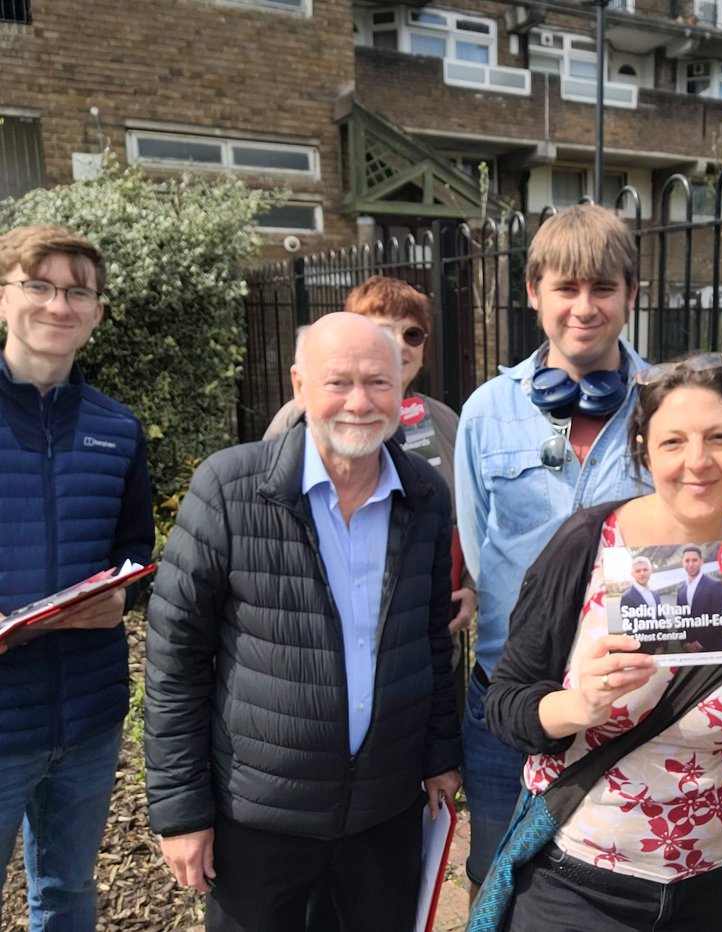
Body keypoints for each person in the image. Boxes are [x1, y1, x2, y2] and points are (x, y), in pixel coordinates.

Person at [145, 312, 461, 932]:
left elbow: (429, 639)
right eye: (337, 382)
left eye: (378, 382)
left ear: (402, 386)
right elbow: (175, 659)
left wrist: (439, 755)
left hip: (383, 812)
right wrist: (182, 812)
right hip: (261, 815)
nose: (360, 402)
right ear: (299, 385)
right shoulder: (229, 488)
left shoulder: (423, 493)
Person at [485, 353, 722, 930]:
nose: (698, 461)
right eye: (673, 441)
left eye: (719, 437)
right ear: (644, 450)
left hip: (721, 883)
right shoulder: (586, 545)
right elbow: (505, 705)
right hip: (581, 886)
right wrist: (578, 706)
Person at [455, 204, 651, 892]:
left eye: (603, 288)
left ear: (632, 295)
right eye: (566, 288)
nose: (585, 308)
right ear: (534, 292)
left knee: (608, 883)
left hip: (631, 707)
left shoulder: (670, 406)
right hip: (504, 704)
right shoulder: (485, 411)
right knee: (496, 873)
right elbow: (479, 548)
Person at [0, 225, 155, 930]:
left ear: (95, 312)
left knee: (66, 894)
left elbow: (137, 555)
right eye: (38, 285)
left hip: (88, 717)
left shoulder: (118, 428)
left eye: (78, 291)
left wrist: (121, 598)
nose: (58, 305)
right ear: (5, 296)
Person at [264, 275, 476, 636]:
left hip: (420, 637)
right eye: (381, 332)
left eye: (412, 334)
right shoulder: (301, 417)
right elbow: (261, 516)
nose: (398, 345)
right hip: (314, 634)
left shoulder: (444, 421)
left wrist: (471, 586)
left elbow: (466, 517)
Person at [676, 543, 722, 651]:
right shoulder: (681, 590)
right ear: (682, 563)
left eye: (694, 560)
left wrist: (700, 643)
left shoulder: (715, 585)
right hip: (689, 649)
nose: (691, 564)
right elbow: (680, 619)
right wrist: (684, 642)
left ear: (701, 562)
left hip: (714, 646)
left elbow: (720, 617)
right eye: (687, 561)